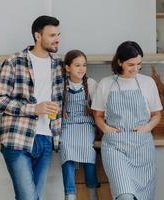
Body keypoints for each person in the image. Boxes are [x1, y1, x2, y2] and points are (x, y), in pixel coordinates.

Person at [0, 15, 63, 200]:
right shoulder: (15, 61)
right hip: (18, 139)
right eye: (52, 35)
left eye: (58, 34)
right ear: (38, 36)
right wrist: (33, 109)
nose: (57, 39)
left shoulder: (58, 65)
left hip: (46, 139)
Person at [92, 41, 162, 200]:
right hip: (115, 147)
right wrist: (106, 129)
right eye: (131, 64)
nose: (136, 68)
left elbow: (157, 114)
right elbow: (98, 115)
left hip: (142, 148)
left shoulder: (147, 83)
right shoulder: (106, 84)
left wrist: (147, 127)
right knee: (125, 196)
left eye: (139, 64)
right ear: (119, 62)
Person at [60, 50, 99, 200]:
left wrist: (92, 109)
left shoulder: (91, 83)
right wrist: (60, 111)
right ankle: (70, 194)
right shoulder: (61, 84)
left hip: (86, 124)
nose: (81, 68)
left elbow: (99, 109)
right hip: (67, 125)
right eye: (77, 65)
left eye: (84, 65)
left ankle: (92, 192)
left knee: (89, 153)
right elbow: (53, 106)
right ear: (68, 67)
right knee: (66, 150)